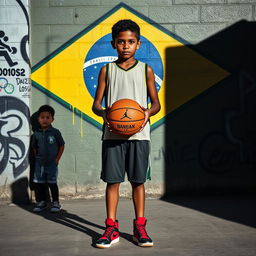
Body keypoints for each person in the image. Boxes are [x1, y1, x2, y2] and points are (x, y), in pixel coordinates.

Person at [92, 19, 161, 248]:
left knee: (137, 182)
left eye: (131, 42)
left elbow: (156, 105)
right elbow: (96, 105)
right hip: (112, 135)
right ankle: (110, 227)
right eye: (121, 42)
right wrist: (105, 113)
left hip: (139, 136)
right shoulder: (107, 70)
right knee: (112, 182)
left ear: (138, 44)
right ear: (113, 44)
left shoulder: (146, 70)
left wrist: (145, 114)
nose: (126, 46)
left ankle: (139, 226)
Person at [32, 105, 65, 213]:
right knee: (39, 183)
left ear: (52, 119)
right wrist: (37, 158)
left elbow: (62, 145)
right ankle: (42, 202)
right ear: (38, 119)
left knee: (52, 183)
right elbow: (34, 147)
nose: (45, 120)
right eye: (42, 117)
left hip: (52, 163)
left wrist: (57, 159)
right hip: (39, 164)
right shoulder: (36, 133)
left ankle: (56, 202)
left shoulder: (55, 132)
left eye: (48, 117)